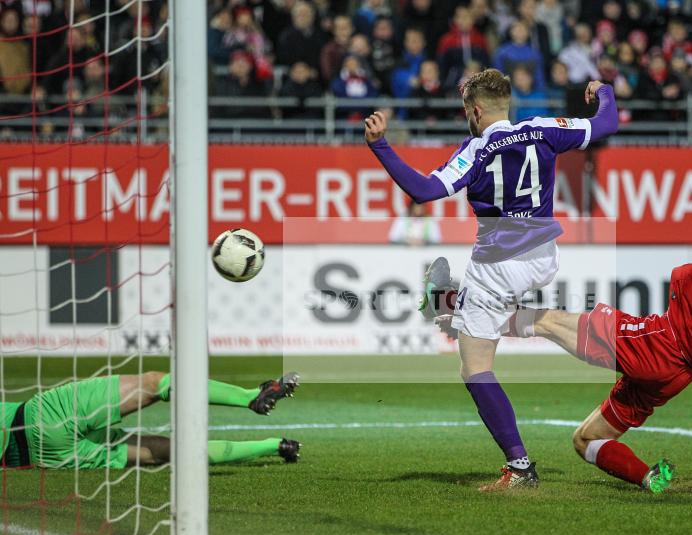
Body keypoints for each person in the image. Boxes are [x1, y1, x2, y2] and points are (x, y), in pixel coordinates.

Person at [436, 148, 692, 491]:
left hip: (660, 342)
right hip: (678, 372)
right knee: (586, 440)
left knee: (549, 321)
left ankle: (455, 308)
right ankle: (650, 479)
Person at [364, 70, 619, 491]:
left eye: (466, 109)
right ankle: (452, 302)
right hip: (543, 256)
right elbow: (607, 123)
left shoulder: (476, 149)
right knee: (492, 319)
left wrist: (380, 146)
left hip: (497, 264)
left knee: (475, 366)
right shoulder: (542, 129)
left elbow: (424, 191)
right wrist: (602, 92)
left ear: (475, 110)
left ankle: (519, 466)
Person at [1, 372, 302, 469]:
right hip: (41, 417)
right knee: (156, 383)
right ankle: (251, 396)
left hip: (48, 459)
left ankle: (276, 446)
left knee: (166, 453)